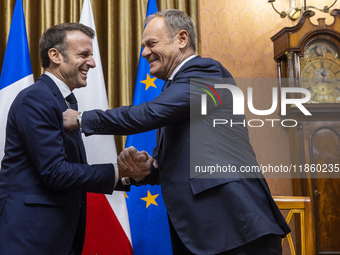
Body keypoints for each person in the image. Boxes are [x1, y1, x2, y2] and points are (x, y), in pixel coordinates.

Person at [63, 10, 291, 255]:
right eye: (143, 46)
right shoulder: (175, 88)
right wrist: (144, 168)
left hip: (235, 227)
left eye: (151, 44)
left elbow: (148, 114)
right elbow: (179, 160)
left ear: (182, 39)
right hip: (206, 233)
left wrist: (82, 118)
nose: (145, 53)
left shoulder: (205, 71)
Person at [0, 23, 152, 255]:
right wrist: (119, 171)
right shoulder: (37, 98)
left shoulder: (62, 101)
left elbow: (71, 168)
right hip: (31, 235)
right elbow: (55, 172)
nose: (91, 62)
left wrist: (129, 174)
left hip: (54, 234)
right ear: (55, 55)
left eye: (91, 55)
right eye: (83, 54)